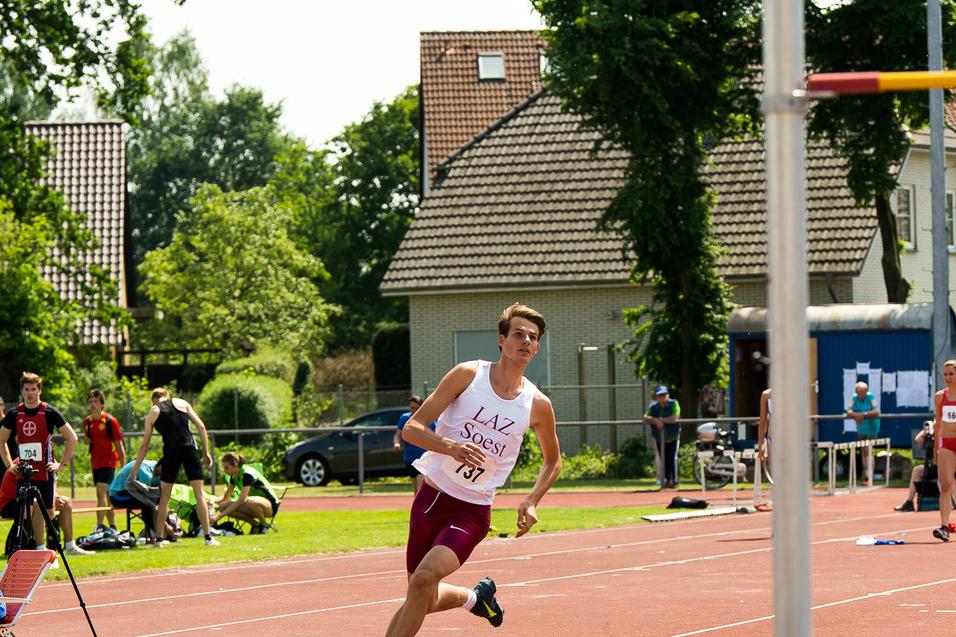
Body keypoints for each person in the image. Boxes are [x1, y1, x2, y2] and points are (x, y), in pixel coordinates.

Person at [384, 303, 562, 637]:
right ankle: (475, 597)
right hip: (431, 499)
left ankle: (473, 597)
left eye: (533, 337)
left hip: (472, 510)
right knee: (420, 593)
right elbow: (413, 429)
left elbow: (554, 460)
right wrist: (451, 447)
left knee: (423, 581)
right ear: (502, 340)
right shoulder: (468, 375)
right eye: (519, 334)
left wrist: (533, 499)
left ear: (537, 348)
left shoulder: (537, 405)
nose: (526, 341)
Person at [0, 372, 80, 553]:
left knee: (49, 513)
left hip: (45, 472)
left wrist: (62, 464)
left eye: (33, 389)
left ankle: (55, 547)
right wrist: (8, 464)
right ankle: (39, 549)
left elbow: (72, 438)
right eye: (26, 389)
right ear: (22, 391)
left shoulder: (49, 412)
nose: (30, 393)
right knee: (27, 512)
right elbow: (1, 440)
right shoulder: (14, 414)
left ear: (39, 391)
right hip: (24, 473)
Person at [130, 388, 219, 547]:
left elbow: (144, 446)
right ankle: (208, 537)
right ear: (168, 396)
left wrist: (135, 470)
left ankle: (158, 540)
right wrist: (206, 453)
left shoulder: (153, 412)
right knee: (199, 495)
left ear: (154, 400)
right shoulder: (182, 403)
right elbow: (201, 426)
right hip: (189, 449)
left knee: (164, 497)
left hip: (171, 453)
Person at [0, 458, 94, 555]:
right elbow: (27, 490)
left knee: (66, 502)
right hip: (10, 503)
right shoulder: (24, 462)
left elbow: (49, 486)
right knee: (39, 504)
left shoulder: (48, 461)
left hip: (31, 499)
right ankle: (40, 548)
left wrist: (55, 497)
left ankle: (70, 546)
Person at [82, 388, 126, 532]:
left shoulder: (110, 421)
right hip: (95, 461)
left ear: (102, 404)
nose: (93, 404)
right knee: (105, 494)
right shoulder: (87, 422)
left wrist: (124, 467)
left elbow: (119, 445)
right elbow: (88, 439)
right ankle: (113, 526)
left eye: (96, 401)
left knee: (101, 492)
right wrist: (86, 440)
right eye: (90, 402)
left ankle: (99, 526)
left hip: (109, 461)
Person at [212, 451, 279, 534]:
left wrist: (218, 517)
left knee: (250, 501)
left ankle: (263, 524)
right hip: (253, 504)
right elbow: (226, 498)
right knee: (222, 507)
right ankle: (255, 524)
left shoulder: (247, 474)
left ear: (235, 464)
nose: (224, 471)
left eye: (226, 468)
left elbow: (240, 501)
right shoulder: (234, 476)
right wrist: (212, 502)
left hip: (270, 506)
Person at [932, 360, 956, 541]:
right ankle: (944, 527)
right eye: (945, 374)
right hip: (947, 444)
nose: (948, 378)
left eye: (951, 374)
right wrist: (936, 448)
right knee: (946, 485)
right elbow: (938, 425)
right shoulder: (940, 397)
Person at [393, 395, 437, 493]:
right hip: (409, 459)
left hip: (423, 459)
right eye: (412, 408)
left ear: (421, 407)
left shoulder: (429, 420)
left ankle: (422, 506)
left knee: (420, 486)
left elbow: (436, 436)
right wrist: (397, 443)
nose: (413, 410)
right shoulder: (404, 418)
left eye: (416, 408)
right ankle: (418, 506)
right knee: (416, 490)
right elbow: (397, 435)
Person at [895, 421, 940, 512]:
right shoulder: (933, 435)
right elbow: (918, 439)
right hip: (935, 467)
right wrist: (929, 429)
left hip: (949, 468)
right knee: (917, 470)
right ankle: (909, 502)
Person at [643, 385, 681, 489]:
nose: (662, 397)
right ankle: (667, 480)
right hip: (660, 437)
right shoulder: (654, 407)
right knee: (664, 458)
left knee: (672, 457)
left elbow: (675, 416)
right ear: (657, 397)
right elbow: (645, 417)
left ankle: (675, 480)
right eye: (660, 395)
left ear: (668, 395)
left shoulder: (674, 403)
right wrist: (656, 420)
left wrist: (662, 420)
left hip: (673, 435)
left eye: (664, 395)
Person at [846, 381, 881, 480]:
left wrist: (864, 414)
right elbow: (849, 411)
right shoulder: (854, 398)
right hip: (861, 427)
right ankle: (866, 472)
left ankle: (870, 473)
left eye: (863, 392)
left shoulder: (871, 397)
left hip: (872, 427)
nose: (861, 394)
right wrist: (856, 415)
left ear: (867, 391)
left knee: (868, 449)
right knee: (863, 449)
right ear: (856, 392)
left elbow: (877, 411)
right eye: (859, 392)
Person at [757, 387, 773, 466]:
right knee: (774, 469)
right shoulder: (766, 395)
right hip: (773, 438)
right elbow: (763, 422)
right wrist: (761, 444)